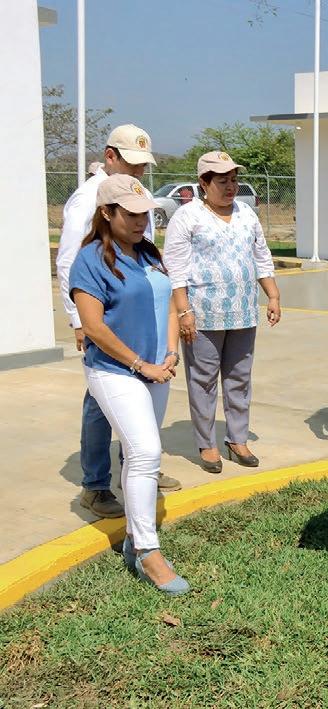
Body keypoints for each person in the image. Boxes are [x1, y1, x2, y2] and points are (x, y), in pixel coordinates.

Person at [69, 174, 189, 595]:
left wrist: (170, 353)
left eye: (145, 214)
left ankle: (136, 542)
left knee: (142, 456)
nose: (141, 221)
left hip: (158, 369)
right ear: (107, 213)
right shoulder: (90, 260)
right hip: (115, 371)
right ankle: (146, 551)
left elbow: (170, 306)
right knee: (145, 451)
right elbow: (93, 327)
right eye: (131, 214)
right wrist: (141, 364)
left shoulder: (148, 252)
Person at [55, 124, 180, 519]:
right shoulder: (89, 199)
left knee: (131, 407)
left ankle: (138, 466)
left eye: (143, 165)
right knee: (100, 402)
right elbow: (70, 260)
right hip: (100, 315)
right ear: (110, 156)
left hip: (137, 314)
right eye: (131, 163)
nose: (138, 171)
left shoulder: (136, 195)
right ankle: (95, 484)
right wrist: (79, 320)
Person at [163, 151, 281, 474]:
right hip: (203, 315)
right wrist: (184, 311)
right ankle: (207, 444)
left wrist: (272, 295)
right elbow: (175, 268)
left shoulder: (246, 214)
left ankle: (237, 439)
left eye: (234, 180)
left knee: (239, 378)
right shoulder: (187, 216)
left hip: (243, 313)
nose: (231, 186)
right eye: (222, 181)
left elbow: (261, 257)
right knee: (203, 381)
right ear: (204, 183)